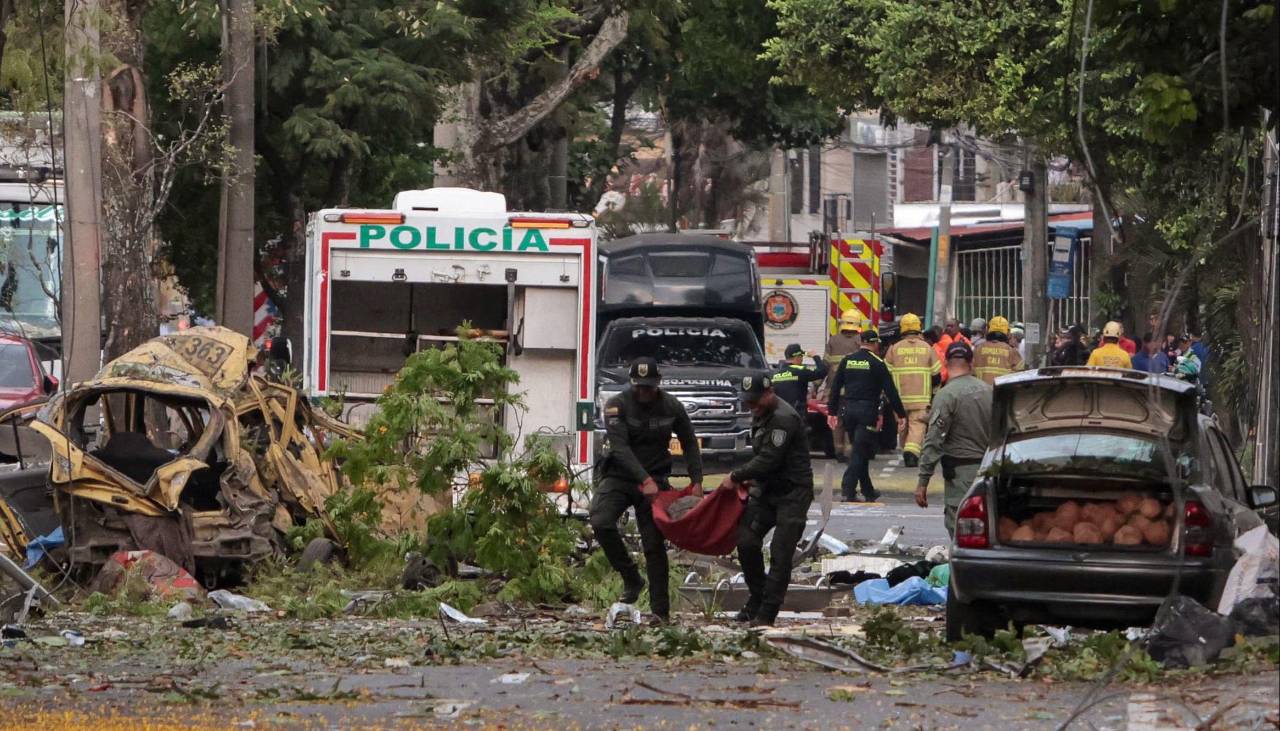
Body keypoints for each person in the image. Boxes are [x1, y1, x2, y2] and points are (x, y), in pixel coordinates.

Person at [590, 357, 702, 624]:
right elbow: (620, 448)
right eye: (640, 387)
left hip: (656, 480)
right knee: (601, 521)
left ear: (657, 384)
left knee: (654, 545)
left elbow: (689, 441)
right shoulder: (617, 405)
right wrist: (643, 478)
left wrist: (696, 481)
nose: (644, 392)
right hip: (620, 476)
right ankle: (631, 578)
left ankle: (661, 612)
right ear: (632, 384)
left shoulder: (671, 406)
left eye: (649, 387)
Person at [720, 373, 813, 627]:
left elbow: (769, 459)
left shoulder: (783, 418)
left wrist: (736, 475)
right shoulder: (761, 412)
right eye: (748, 401)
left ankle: (767, 612)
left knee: (780, 553)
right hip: (766, 490)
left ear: (770, 392)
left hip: (792, 494)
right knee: (746, 541)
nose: (752, 406)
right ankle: (757, 597)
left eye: (756, 400)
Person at [914, 342, 993, 537]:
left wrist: (923, 481)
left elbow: (934, 441)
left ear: (945, 363)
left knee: (960, 527)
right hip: (989, 471)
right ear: (971, 363)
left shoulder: (946, 395)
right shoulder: (989, 391)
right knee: (987, 523)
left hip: (960, 475)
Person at [827, 329, 906, 502]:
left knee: (859, 450)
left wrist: (831, 411)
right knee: (859, 452)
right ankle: (847, 489)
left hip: (848, 410)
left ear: (861, 342)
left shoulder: (847, 360)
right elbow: (891, 391)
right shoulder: (877, 363)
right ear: (876, 343)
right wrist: (901, 414)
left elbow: (835, 387)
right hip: (866, 412)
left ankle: (868, 490)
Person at [883, 313, 942, 468]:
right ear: (918, 328)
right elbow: (937, 375)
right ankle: (911, 453)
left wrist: (887, 395)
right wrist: (934, 393)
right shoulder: (927, 348)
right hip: (921, 399)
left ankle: (907, 450)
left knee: (902, 425)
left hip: (899, 399)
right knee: (917, 425)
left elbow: (885, 374)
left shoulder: (894, 349)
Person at [823, 310, 864, 463]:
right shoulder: (860, 341)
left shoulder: (833, 341)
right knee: (851, 421)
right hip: (854, 391)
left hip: (834, 391)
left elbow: (825, 365)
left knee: (837, 419)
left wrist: (815, 386)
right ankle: (849, 451)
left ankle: (838, 451)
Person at [772, 343, 828, 416]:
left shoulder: (775, 374)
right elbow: (822, 371)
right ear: (797, 357)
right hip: (797, 414)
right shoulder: (801, 371)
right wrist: (815, 356)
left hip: (780, 414)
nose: (802, 360)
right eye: (801, 356)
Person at [972, 315, 1024, 385]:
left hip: (982, 390)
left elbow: (970, 371)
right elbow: (1021, 374)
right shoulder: (1011, 351)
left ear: (988, 331)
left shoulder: (978, 349)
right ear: (1008, 333)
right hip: (1003, 390)